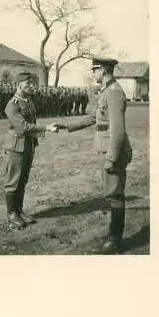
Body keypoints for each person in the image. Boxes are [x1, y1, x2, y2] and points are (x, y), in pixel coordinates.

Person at [54, 57, 133, 253]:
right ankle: (115, 237)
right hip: (107, 148)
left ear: (103, 70)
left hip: (112, 150)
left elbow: (118, 129)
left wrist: (112, 157)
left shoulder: (114, 92)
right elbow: (94, 117)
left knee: (115, 195)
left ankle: (116, 239)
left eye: (94, 70)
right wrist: (66, 125)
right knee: (112, 193)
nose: (92, 74)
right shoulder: (107, 90)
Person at [3, 71, 58, 230]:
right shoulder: (12, 104)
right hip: (16, 147)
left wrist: (40, 133)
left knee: (23, 181)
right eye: (28, 83)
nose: (31, 86)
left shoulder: (28, 101)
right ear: (18, 84)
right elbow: (23, 127)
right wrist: (46, 128)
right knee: (13, 182)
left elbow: (31, 122)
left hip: (28, 146)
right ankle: (11, 213)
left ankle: (19, 210)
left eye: (32, 83)